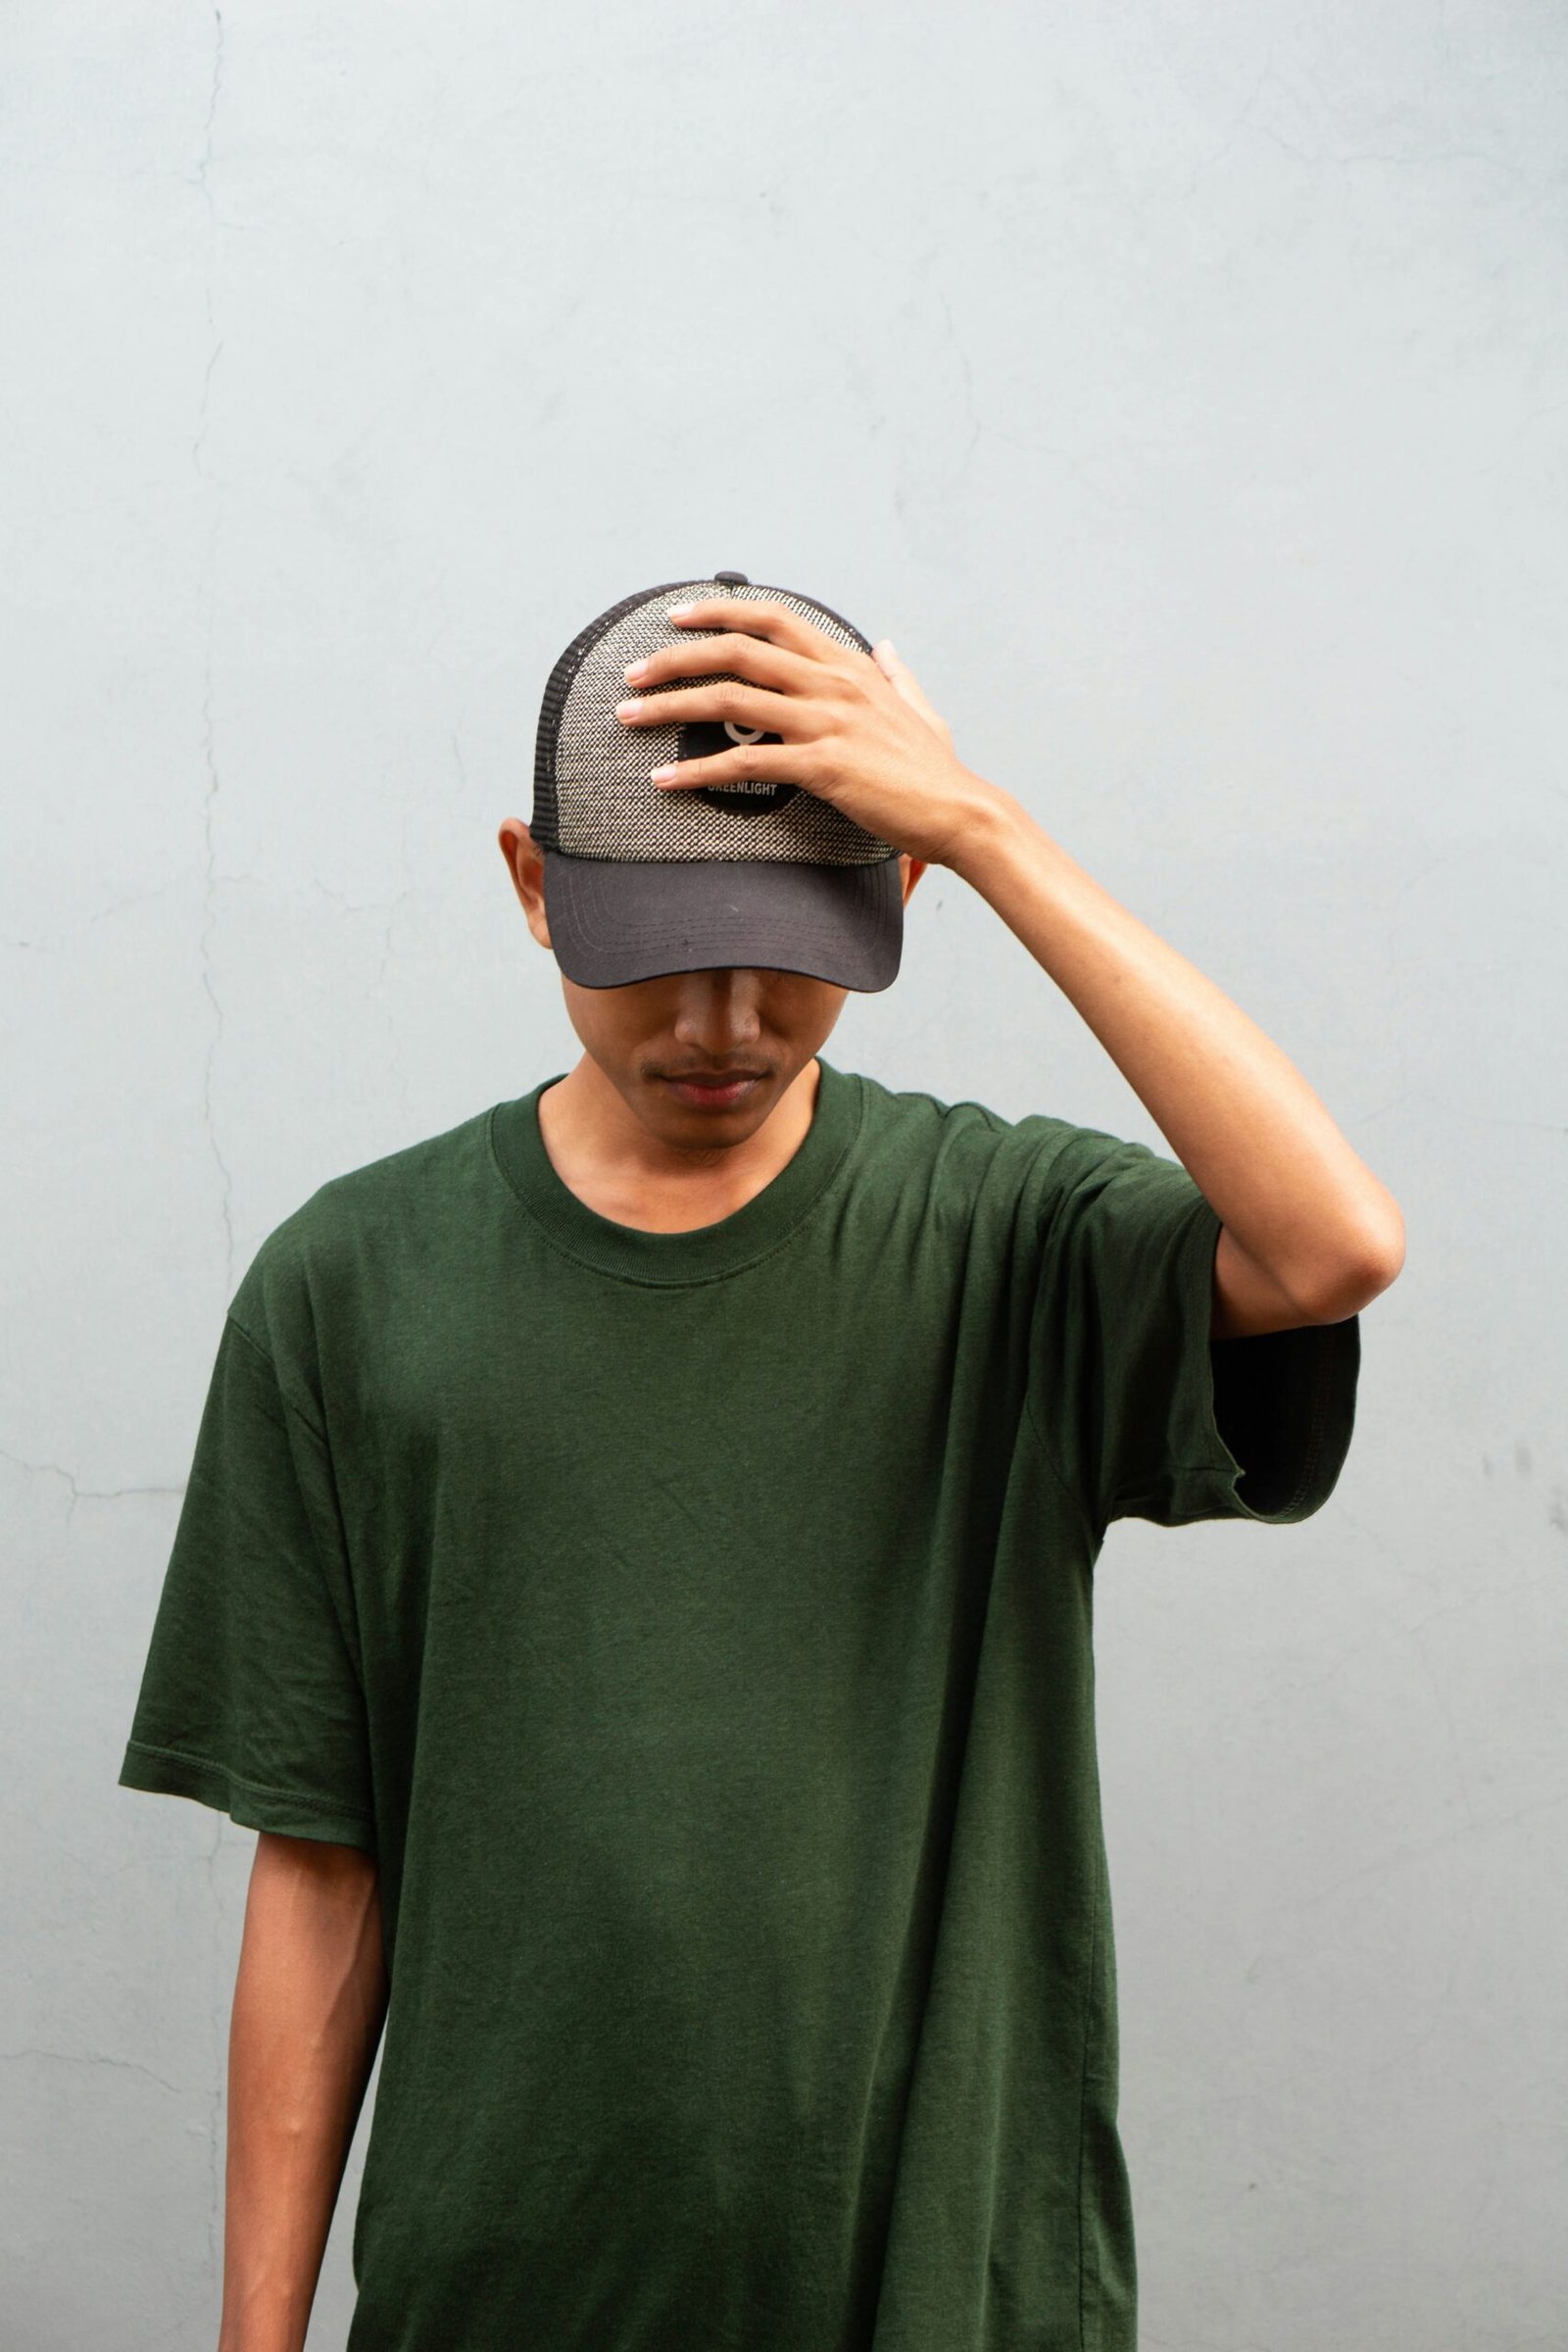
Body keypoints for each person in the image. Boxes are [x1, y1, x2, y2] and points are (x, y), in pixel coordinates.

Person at [118, 571, 1403, 2352]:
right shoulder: (353, 1287)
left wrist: (986, 826)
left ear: (900, 897)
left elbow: (1334, 1245)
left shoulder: (1005, 1239)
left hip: (946, 2298)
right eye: (656, 953)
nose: (723, 1022)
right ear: (533, 884)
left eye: (795, 948)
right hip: (504, 2299)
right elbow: (322, 1866)